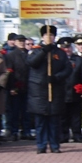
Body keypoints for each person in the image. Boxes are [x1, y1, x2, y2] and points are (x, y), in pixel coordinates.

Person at [26, 24, 72, 154]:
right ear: (42, 37)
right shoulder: (36, 50)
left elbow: (68, 69)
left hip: (55, 91)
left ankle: (54, 145)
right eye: (47, 35)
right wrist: (44, 51)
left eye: (52, 35)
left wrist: (57, 77)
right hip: (38, 92)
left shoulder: (60, 53)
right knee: (40, 123)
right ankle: (41, 145)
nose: (49, 38)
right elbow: (31, 63)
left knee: (54, 122)